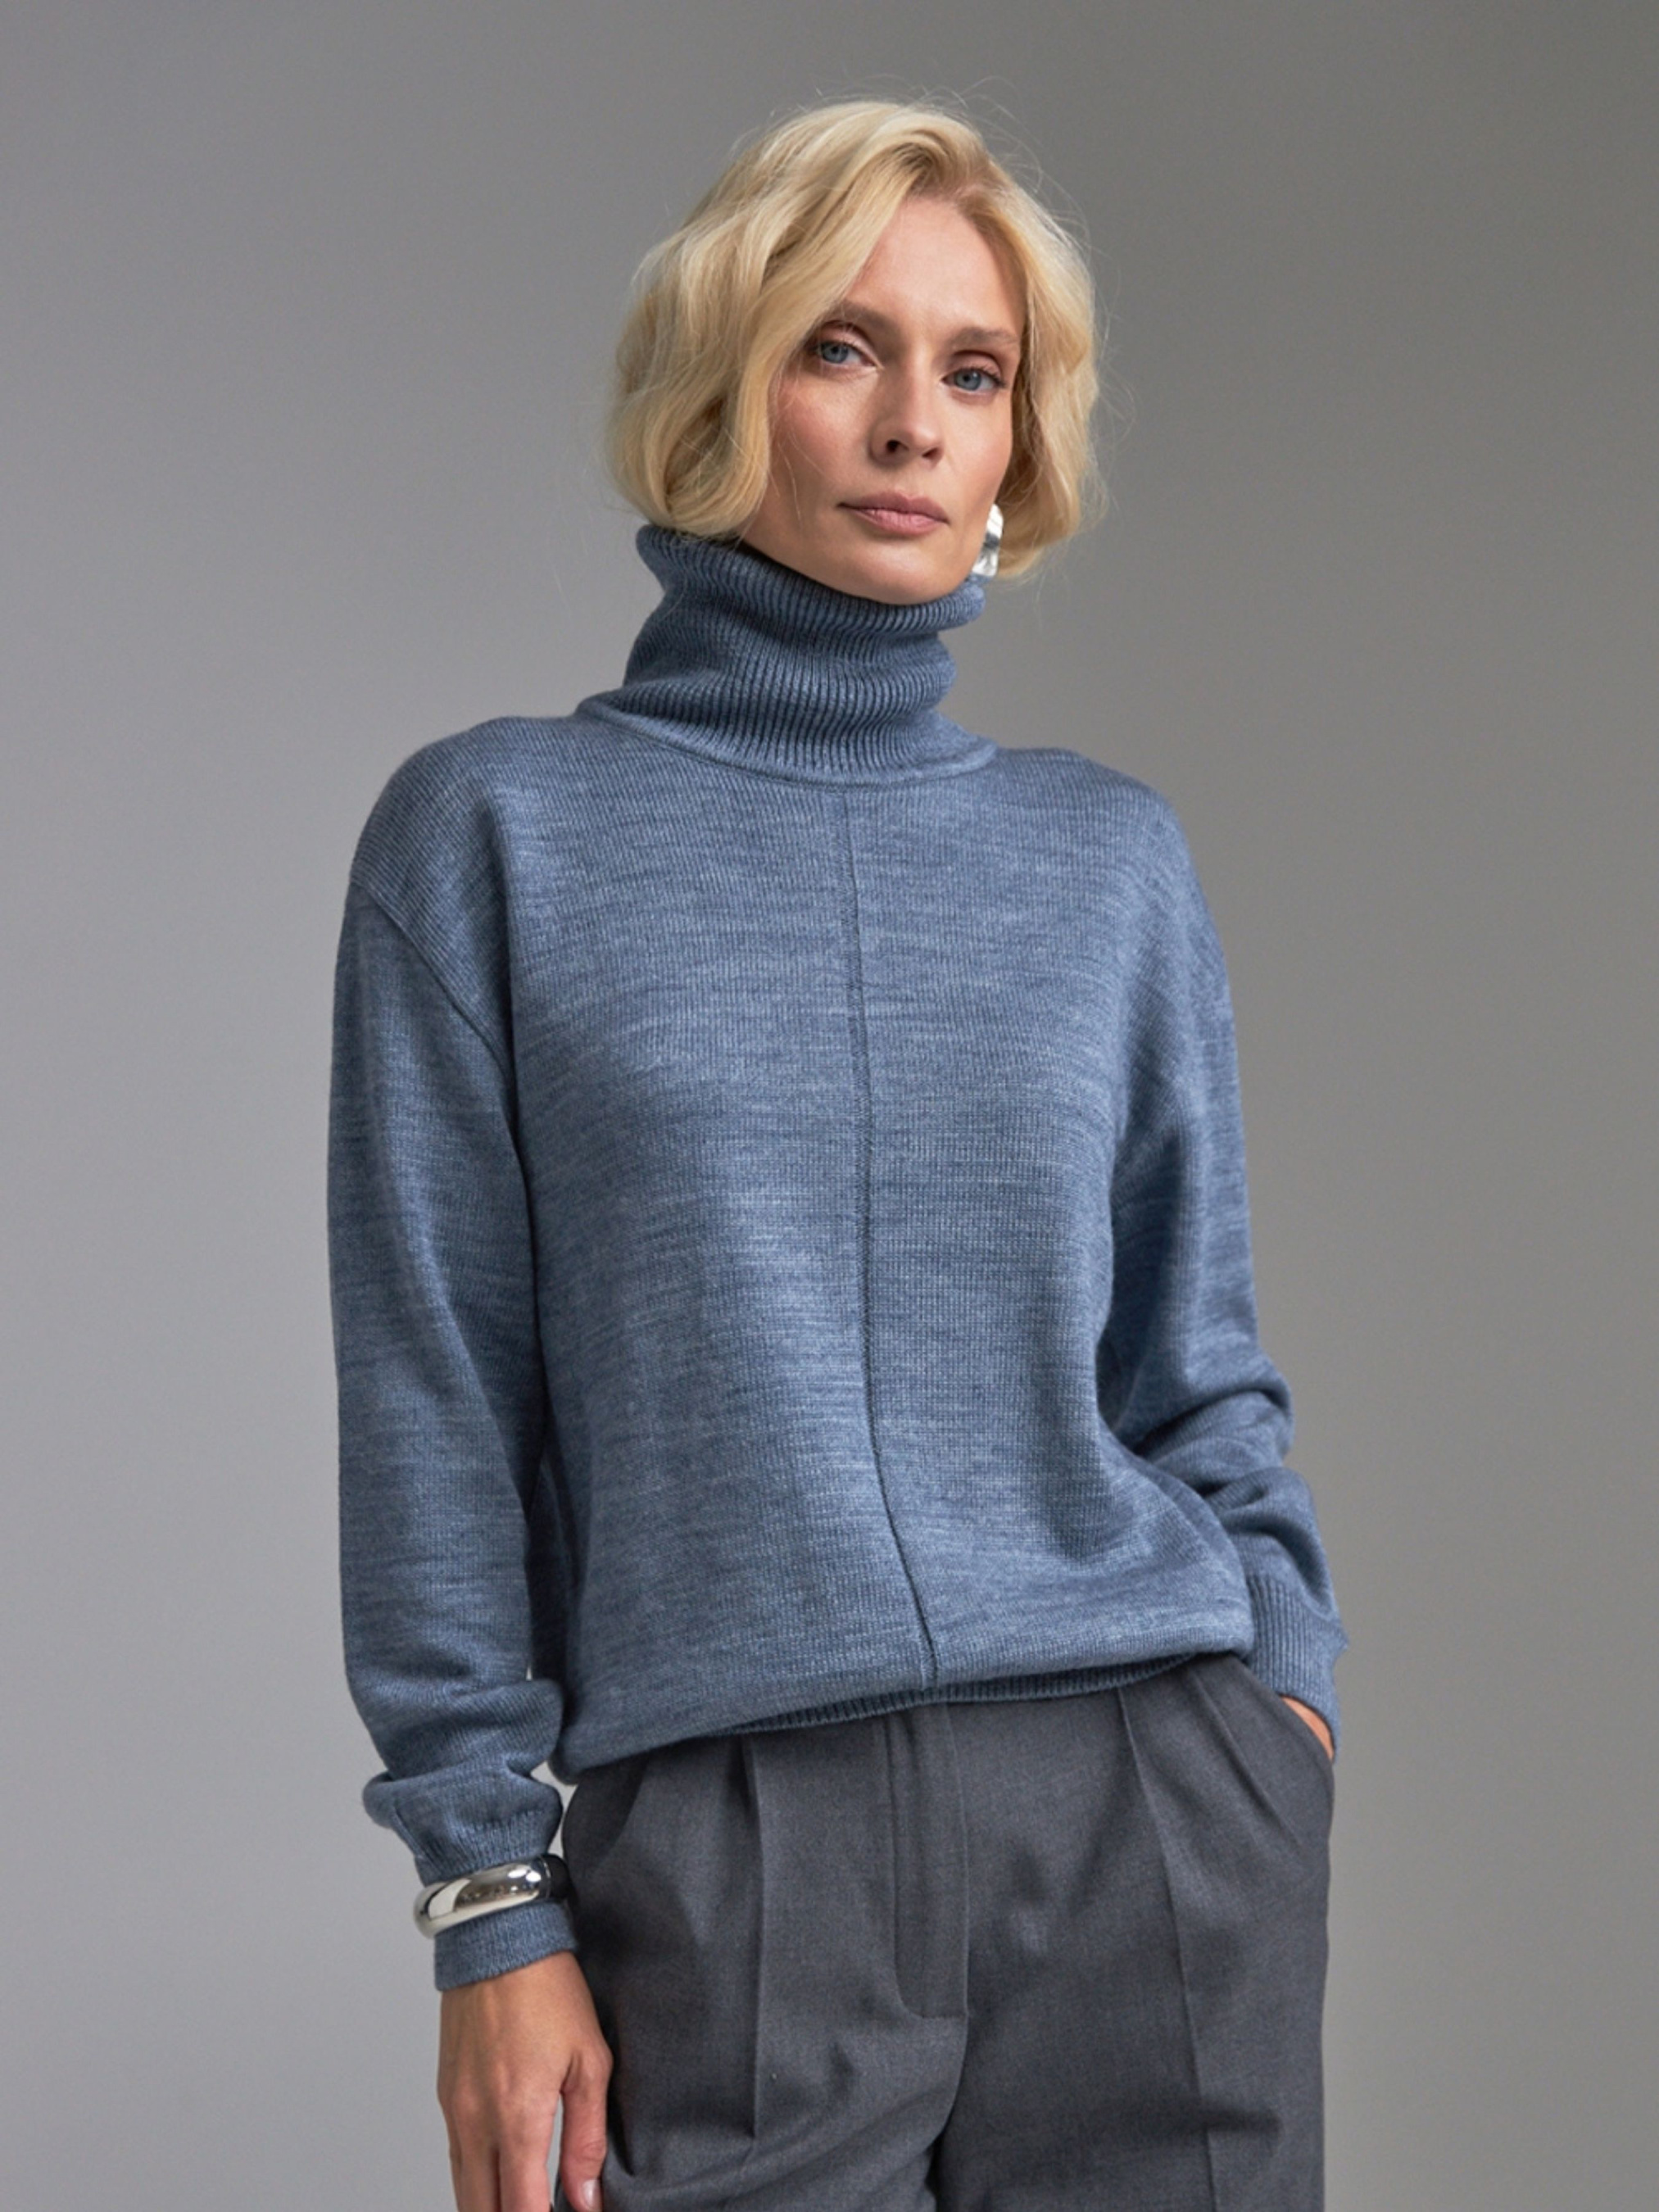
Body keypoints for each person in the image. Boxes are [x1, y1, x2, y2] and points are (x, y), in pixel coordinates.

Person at [327, 97, 1346, 2212]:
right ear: (718, 392)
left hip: (1152, 1815)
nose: (911, 425)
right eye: (840, 347)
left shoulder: (1105, 858)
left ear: (1017, 442)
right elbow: (438, 1393)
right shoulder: (493, 836)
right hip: (736, 1845)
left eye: (973, 372)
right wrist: (489, 1898)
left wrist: (1283, 1708)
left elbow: (1198, 1364)